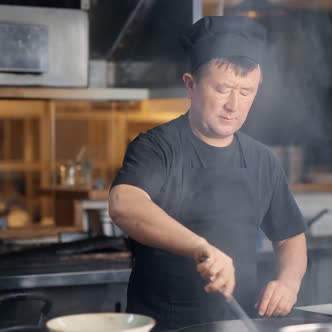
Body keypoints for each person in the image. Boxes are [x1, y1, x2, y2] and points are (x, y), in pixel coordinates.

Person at [108, 15, 307, 331]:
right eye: (223, 89)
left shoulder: (261, 159)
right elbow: (123, 203)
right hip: (167, 325)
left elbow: (290, 236)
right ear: (190, 84)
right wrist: (202, 248)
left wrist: (288, 283)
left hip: (239, 324)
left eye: (246, 92)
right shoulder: (156, 147)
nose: (234, 105)